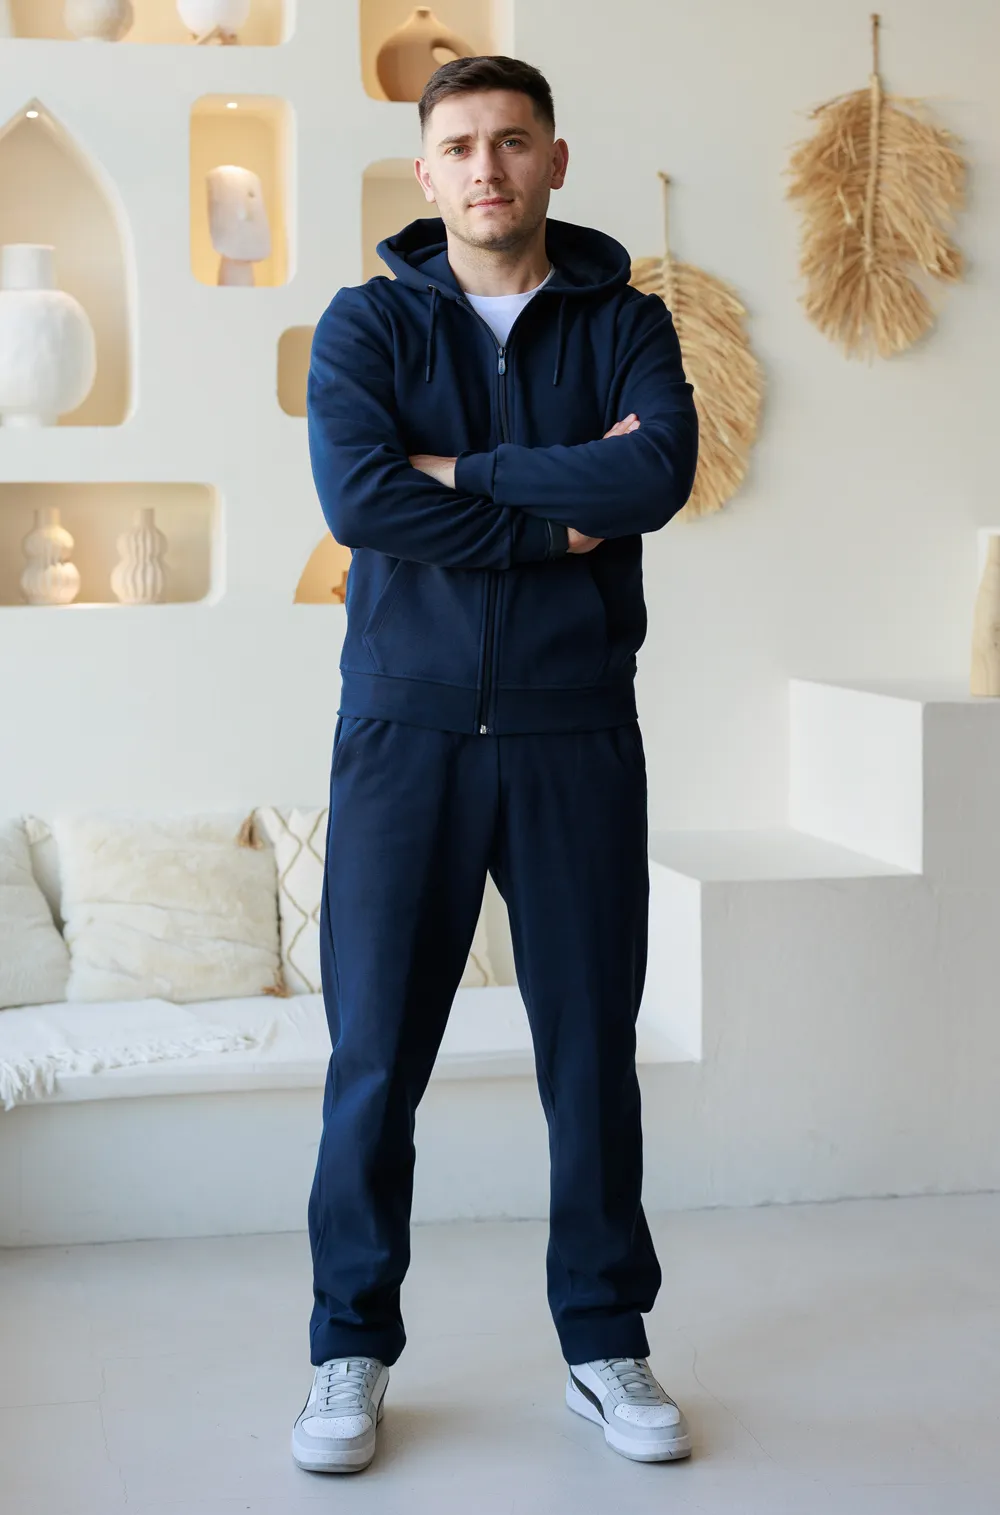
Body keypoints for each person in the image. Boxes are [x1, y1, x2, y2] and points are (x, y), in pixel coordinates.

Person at [291, 53, 699, 1474]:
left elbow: (654, 476)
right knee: (373, 1057)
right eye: (460, 146)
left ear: (554, 160)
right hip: (403, 734)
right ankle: (348, 1347)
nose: (487, 168)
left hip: (575, 729)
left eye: (512, 142)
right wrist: (549, 508)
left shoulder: (628, 320)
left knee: (590, 1054)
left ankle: (604, 1341)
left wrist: (457, 473)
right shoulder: (365, 323)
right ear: (425, 172)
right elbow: (359, 499)